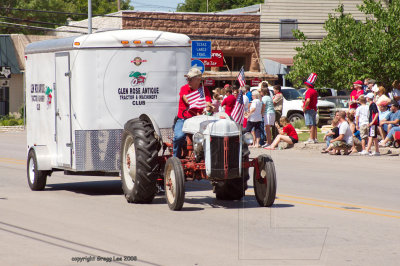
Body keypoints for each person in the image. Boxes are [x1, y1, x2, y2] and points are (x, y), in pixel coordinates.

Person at [173, 68, 211, 158]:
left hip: (199, 120)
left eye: (190, 79)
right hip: (184, 119)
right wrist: (198, 105)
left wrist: (209, 107)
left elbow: (208, 102)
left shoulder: (204, 90)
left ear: (198, 80)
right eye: (187, 79)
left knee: (211, 136)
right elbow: (187, 99)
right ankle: (175, 159)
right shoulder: (184, 88)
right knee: (179, 137)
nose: (188, 81)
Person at [303, 77, 318, 144]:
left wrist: (304, 107)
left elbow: (308, 100)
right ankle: (314, 138)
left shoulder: (308, 91)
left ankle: (311, 138)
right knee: (314, 124)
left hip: (309, 109)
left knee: (310, 124)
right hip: (314, 108)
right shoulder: (315, 91)